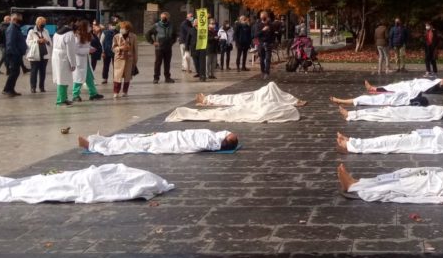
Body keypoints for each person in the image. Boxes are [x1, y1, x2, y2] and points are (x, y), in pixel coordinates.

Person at [0, 164, 174, 204]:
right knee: (36, 181)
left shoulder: (140, 182)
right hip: (86, 176)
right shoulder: (133, 176)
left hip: (82, 183)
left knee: (36, 187)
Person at [167, 82, 302, 123]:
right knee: (235, 99)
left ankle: (208, 100)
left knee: (229, 107)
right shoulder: (272, 97)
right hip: (254, 99)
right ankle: (209, 99)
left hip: (255, 103)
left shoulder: (278, 105)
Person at [336, 127, 443, 155]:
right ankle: (354, 141)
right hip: (418, 137)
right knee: (387, 140)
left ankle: (352, 145)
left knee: (387, 143)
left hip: (420, 142)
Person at [79, 129, 239, 154]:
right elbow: (229, 134)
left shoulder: (213, 142)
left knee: (136, 143)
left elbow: (193, 141)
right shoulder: (216, 136)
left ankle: (94, 144)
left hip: (171, 142)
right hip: (172, 135)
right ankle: (105, 139)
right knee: (138, 137)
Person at [72, 20, 103, 101]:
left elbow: (85, 46)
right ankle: (75, 95)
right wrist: (88, 51)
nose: (90, 27)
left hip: (85, 61)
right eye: (88, 26)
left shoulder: (86, 35)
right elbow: (75, 50)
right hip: (79, 61)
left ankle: (93, 94)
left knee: (89, 78)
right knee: (78, 78)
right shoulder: (76, 36)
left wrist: (91, 48)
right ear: (84, 27)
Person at [50, 17, 77, 107]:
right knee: (62, 79)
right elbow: (71, 50)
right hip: (64, 57)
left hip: (56, 56)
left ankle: (64, 98)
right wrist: (73, 63)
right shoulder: (69, 34)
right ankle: (60, 101)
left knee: (62, 78)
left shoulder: (57, 33)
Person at [147, 11, 176, 85]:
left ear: (168, 18)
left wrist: (172, 42)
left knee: (167, 63)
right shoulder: (156, 25)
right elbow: (148, 34)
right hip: (159, 48)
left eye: (165, 17)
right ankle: (156, 78)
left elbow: (175, 35)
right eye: (162, 17)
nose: (164, 19)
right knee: (158, 63)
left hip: (168, 48)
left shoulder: (172, 25)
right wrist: (153, 42)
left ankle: (167, 78)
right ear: (160, 18)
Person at [2, 13, 27, 97]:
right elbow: (10, 43)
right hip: (13, 55)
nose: (21, 21)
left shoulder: (16, 28)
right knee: (13, 72)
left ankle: (11, 89)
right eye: (19, 19)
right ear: (14, 19)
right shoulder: (12, 29)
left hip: (17, 54)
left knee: (16, 72)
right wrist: (16, 53)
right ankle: (7, 89)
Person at [112, 20, 138, 98]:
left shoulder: (133, 36)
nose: (121, 29)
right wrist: (120, 48)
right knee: (117, 76)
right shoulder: (116, 36)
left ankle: (125, 91)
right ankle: (116, 92)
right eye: (121, 28)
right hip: (119, 58)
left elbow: (135, 49)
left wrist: (135, 61)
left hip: (129, 59)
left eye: (123, 28)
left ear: (128, 29)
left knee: (127, 76)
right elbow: (113, 48)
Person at [25, 16, 51, 94]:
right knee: (34, 72)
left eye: (44, 23)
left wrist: (46, 41)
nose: (43, 25)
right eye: (41, 23)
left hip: (44, 55)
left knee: (43, 72)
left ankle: (42, 87)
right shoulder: (31, 31)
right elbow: (28, 42)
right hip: (35, 55)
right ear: (37, 23)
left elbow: (50, 42)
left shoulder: (46, 31)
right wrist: (38, 41)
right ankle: (33, 87)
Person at [338, 104, 443, 122]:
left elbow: (412, 115)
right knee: (377, 112)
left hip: (398, 113)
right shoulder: (429, 110)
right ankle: (352, 114)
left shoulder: (429, 114)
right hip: (400, 111)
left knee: (377, 114)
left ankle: (351, 115)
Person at [254, 10, 276, 79]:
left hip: (268, 44)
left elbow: (273, 35)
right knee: (262, 59)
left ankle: (267, 72)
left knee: (268, 59)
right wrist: (263, 30)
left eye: (264, 16)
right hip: (261, 44)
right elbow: (256, 35)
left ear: (267, 17)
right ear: (260, 17)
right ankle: (262, 71)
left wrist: (272, 42)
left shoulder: (271, 25)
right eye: (262, 16)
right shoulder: (258, 25)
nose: (263, 17)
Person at [100, 20, 116, 85]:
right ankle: (105, 78)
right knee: (106, 66)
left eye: (114, 25)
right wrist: (103, 51)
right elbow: (101, 42)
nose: (112, 27)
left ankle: (115, 78)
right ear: (109, 26)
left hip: (115, 52)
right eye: (111, 25)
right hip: (106, 52)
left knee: (115, 66)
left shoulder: (117, 33)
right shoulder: (105, 32)